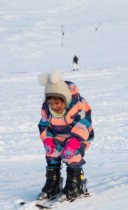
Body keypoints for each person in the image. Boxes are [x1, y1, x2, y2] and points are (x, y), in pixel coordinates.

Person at [37, 70, 94, 201]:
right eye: (50, 103)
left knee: (72, 154)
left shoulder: (77, 105)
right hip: (58, 136)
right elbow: (44, 124)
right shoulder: (47, 108)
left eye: (57, 103)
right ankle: (53, 182)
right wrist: (48, 139)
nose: (54, 106)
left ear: (65, 99)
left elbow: (84, 123)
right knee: (52, 152)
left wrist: (74, 141)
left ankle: (74, 183)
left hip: (79, 137)